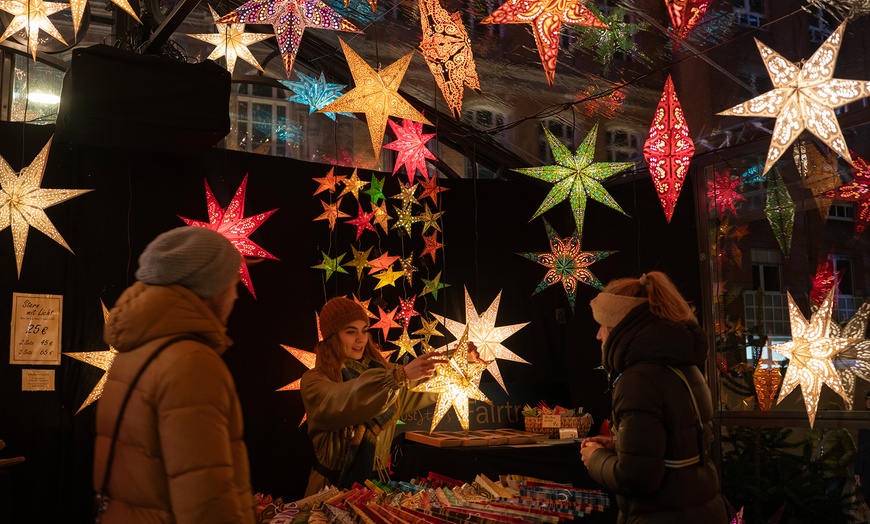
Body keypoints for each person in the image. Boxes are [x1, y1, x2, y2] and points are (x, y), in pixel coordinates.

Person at [93, 227, 256, 523]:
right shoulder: (191, 362)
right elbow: (206, 500)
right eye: (233, 283)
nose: (235, 296)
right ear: (210, 288)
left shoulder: (135, 351)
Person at [580, 271, 727, 523]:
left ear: (618, 326)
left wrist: (595, 459)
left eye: (602, 325)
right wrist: (620, 447)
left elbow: (637, 479)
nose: (598, 336)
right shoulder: (684, 366)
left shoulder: (637, 380)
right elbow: (679, 448)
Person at [300, 297, 444, 496]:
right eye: (351, 332)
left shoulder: (385, 373)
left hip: (378, 490)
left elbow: (423, 386)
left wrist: (461, 363)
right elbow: (344, 400)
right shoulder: (315, 381)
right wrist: (398, 377)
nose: (361, 339)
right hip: (331, 490)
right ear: (332, 337)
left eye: (364, 330)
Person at [803, 402, 856, 496]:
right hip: (817, 473)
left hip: (836, 474)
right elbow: (807, 449)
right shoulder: (813, 431)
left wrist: (840, 463)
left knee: (832, 501)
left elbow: (851, 450)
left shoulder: (841, 432)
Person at [856, 392, 870, 504]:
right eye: (867, 399)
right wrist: (858, 471)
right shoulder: (864, 419)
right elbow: (862, 447)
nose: (868, 402)